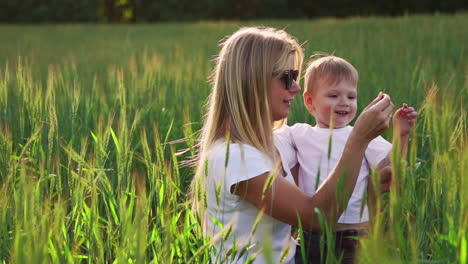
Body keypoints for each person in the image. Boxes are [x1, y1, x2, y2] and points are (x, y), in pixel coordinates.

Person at [190, 27, 395, 264]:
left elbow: (322, 167)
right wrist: (358, 140)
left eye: (296, 77)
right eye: (287, 78)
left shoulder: (275, 141)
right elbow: (317, 217)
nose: (296, 88)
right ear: (253, 81)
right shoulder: (234, 157)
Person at [280, 55, 417, 263]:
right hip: (311, 236)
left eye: (351, 97)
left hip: (354, 238)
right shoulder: (299, 134)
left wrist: (401, 135)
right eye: (333, 95)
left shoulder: (364, 134)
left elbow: (394, 167)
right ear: (309, 101)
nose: (344, 102)